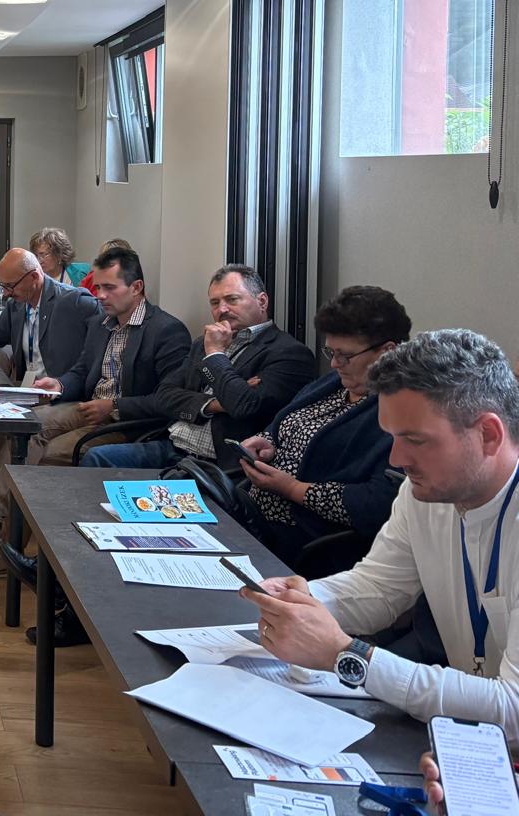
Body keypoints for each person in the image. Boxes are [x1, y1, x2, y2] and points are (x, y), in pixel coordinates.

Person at [247, 330, 519, 742]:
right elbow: (379, 587)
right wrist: (303, 600)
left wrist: (347, 654)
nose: (396, 458)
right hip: (470, 744)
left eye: (414, 440)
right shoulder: (423, 493)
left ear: (489, 435)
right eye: (392, 436)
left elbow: (512, 710)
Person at [0, 246, 190, 585]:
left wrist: (116, 406)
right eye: (98, 287)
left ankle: (10, 548)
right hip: (89, 408)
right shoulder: (103, 324)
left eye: (109, 288)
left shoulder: (166, 331)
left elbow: (169, 401)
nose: (100, 295)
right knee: (26, 428)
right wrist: (61, 384)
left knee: (48, 457)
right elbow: (81, 370)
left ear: (136, 287)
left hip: (127, 423)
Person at [81, 264, 317, 472]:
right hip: (173, 447)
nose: (222, 309)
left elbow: (245, 405)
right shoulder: (202, 343)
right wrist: (217, 403)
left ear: (262, 301)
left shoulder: (289, 353)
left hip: (217, 463)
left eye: (232, 299)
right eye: (215, 303)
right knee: (97, 457)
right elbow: (164, 395)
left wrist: (215, 355)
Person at [234, 285, 410, 562]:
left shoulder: (401, 412)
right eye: (331, 352)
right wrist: (267, 441)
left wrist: (292, 489)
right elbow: (284, 423)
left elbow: (379, 503)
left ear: (387, 352)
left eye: (345, 355)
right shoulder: (334, 384)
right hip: (251, 515)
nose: (335, 364)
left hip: (299, 541)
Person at [0, 247, 101, 516]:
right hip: (27, 389)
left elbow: (96, 347)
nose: (6, 293)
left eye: (10, 286)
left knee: (5, 423)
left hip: (58, 394)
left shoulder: (74, 302)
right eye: (2, 285)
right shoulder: (18, 304)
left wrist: (64, 383)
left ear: (35, 277)